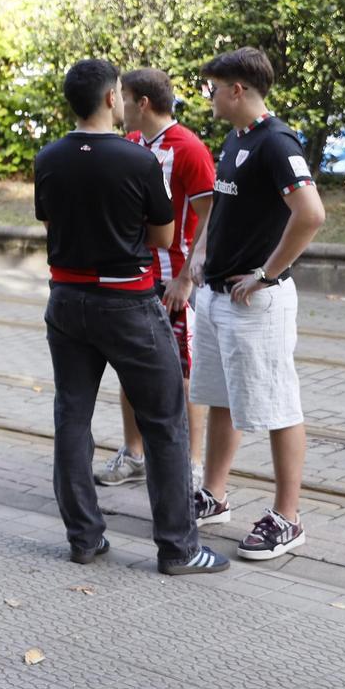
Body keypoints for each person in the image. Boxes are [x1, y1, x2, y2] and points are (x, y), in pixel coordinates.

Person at [33, 59, 229, 577]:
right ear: (109, 99)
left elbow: (50, 223)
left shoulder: (48, 157)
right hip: (127, 303)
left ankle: (84, 538)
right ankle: (178, 548)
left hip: (66, 300)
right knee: (164, 421)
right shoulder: (138, 160)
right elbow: (164, 236)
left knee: (71, 416)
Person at [187, 47, 327, 560]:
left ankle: (288, 518)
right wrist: (202, 252)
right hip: (217, 296)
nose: (209, 97)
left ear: (237, 90)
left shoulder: (276, 143)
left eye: (213, 88)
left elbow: (311, 214)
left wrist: (268, 274)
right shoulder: (236, 138)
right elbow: (221, 208)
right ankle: (214, 495)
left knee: (278, 405)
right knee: (222, 397)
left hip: (255, 305)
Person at [96, 68, 216, 493]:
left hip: (173, 282)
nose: (118, 104)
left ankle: (193, 464)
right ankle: (135, 454)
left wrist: (186, 278)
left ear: (142, 103)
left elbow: (210, 216)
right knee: (130, 366)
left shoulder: (189, 149)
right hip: (134, 278)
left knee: (184, 374)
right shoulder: (130, 144)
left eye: (123, 97)